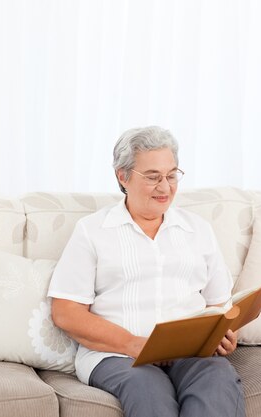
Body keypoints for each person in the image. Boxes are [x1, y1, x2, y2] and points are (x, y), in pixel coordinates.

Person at [47, 126, 245, 417]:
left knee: (217, 381)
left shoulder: (198, 230)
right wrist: (132, 344)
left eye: (171, 175)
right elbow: (66, 311)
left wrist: (227, 333)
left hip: (189, 353)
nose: (165, 187)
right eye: (153, 177)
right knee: (147, 388)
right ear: (122, 176)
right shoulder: (92, 231)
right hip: (116, 355)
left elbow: (220, 303)